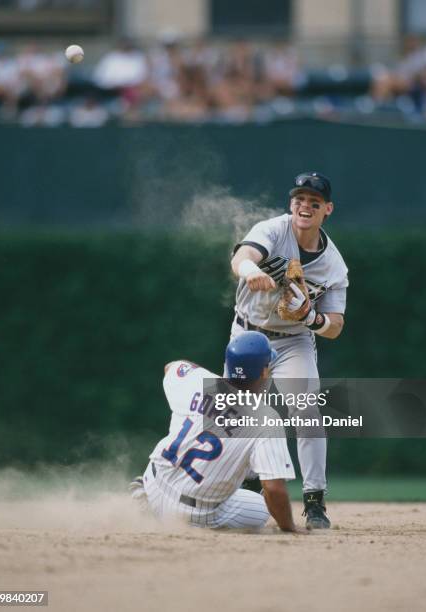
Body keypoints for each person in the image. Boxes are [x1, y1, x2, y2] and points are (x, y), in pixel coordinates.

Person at [229, 172, 349, 528]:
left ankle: (314, 502)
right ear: (291, 204)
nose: (305, 206)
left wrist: (311, 317)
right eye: (300, 199)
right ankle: (244, 487)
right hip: (248, 335)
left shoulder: (334, 265)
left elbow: (335, 326)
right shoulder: (273, 229)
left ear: (327, 209)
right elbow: (243, 255)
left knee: (307, 410)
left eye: (314, 202)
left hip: (294, 340)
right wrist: (250, 269)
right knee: (234, 415)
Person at [130, 331, 303, 533]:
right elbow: (273, 489)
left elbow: (171, 367)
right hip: (192, 513)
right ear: (263, 373)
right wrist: (289, 527)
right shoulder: (266, 419)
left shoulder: (198, 380)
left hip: (153, 484)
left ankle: (144, 497)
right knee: (261, 509)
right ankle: (175, 517)